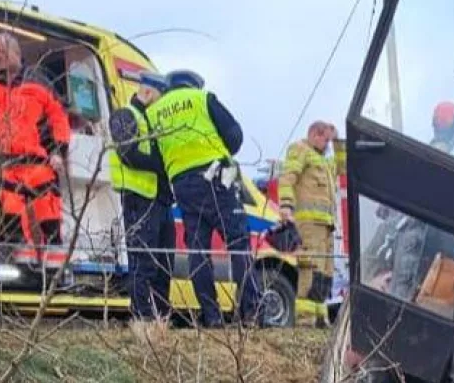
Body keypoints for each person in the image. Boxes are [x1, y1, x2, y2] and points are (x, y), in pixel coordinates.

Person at [145, 69, 260, 328]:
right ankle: (251, 313)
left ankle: (212, 316)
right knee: (238, 242)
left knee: (198, 248)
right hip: (217, 176)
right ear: (194, 84)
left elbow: (154, 154)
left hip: (182, 184)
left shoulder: (153, 113)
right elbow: (234, 135)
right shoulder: (201, 98)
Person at [0, 31, 71, 268]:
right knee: (9, 222)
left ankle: (53, 274)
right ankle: (19, 271)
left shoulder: (39, 82)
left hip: (40, 165)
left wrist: (59, 151)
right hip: (8, 166)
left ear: (15, 52)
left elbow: (58, 118)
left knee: (49, 220)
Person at [107, 72, 174, 326]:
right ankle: (142, 319)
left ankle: (160, 319)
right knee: (143, 262)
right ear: (147, 92)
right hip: (138, 199)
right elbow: (129, 153)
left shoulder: (153, 120)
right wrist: (163, 165)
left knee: (162, 265)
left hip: (160, 200)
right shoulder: (125, 115)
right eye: (159, 98)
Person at [277, 121, 337, 325]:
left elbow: (344, 166)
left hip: (326, 225)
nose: (328, 145)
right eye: (326, 140)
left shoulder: (323, 160)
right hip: (309, 224)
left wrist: (339, 140)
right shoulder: (299, 150)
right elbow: (287, 179)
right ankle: (305, 320)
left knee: (325, 273)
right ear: (314, 134)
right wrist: (286, 206)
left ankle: (320, 318)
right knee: (310, 269)